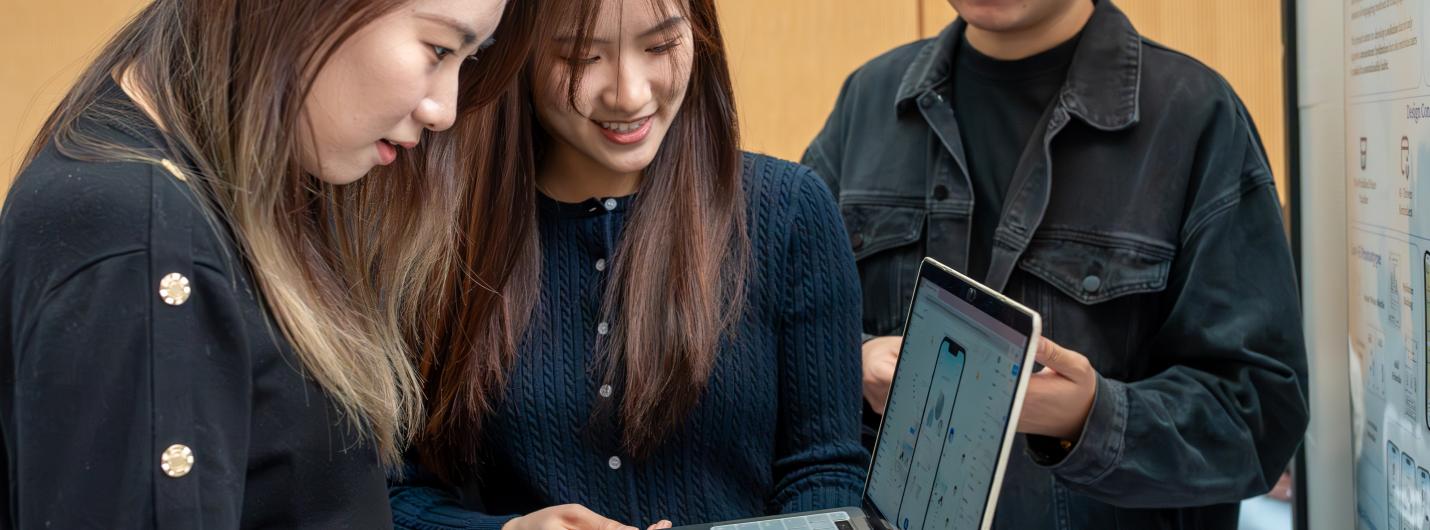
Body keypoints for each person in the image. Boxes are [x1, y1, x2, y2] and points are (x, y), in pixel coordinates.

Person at [0, 0, 534, 527]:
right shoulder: (144, 241)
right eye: (438, 48)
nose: (444, 107)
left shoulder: (216, 188)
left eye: (470, 58)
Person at [801, 0, 1309, 527]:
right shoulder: (870, 99)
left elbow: (1259, 418)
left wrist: (1088, 417)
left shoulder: (1195, 116)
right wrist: (854, 360)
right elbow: (779, 328)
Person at [389, 0, 868, 528]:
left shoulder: (790, 211)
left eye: (661, 46)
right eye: (580, 58)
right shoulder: (441, 233)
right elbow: (390, 492)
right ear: (514, 53)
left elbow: (823, 474)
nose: (630, 94)